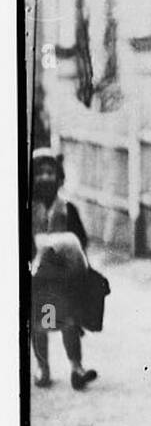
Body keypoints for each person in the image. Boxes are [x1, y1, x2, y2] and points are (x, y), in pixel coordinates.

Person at [30, 148, 98, 391]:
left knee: (69, 322)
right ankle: (43, 368)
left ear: (59, 178)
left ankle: (76, 368)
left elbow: (81, 241)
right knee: (42, 325)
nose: (46, 178)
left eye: (50, 172)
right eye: (40, 173)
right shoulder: (27, 211)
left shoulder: (68, 209)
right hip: (40, 281)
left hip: (63, 279)